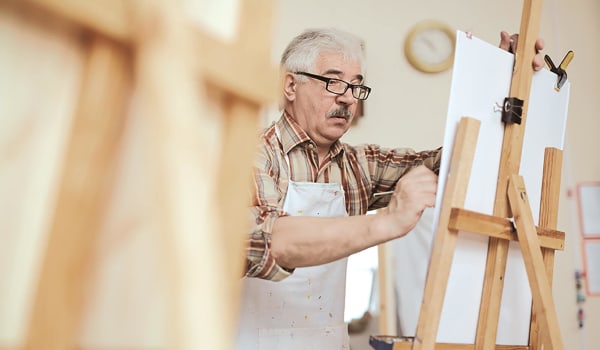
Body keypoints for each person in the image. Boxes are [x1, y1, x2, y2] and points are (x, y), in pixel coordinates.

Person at [236, 27, 545, 350]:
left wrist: (502, 84)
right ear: (290, 85)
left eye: (356, 85)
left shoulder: (359, 165)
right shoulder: (251, 154)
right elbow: (269, 242)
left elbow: (457, 162)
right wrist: (387, 220)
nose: (347, 97)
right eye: (334, 82)